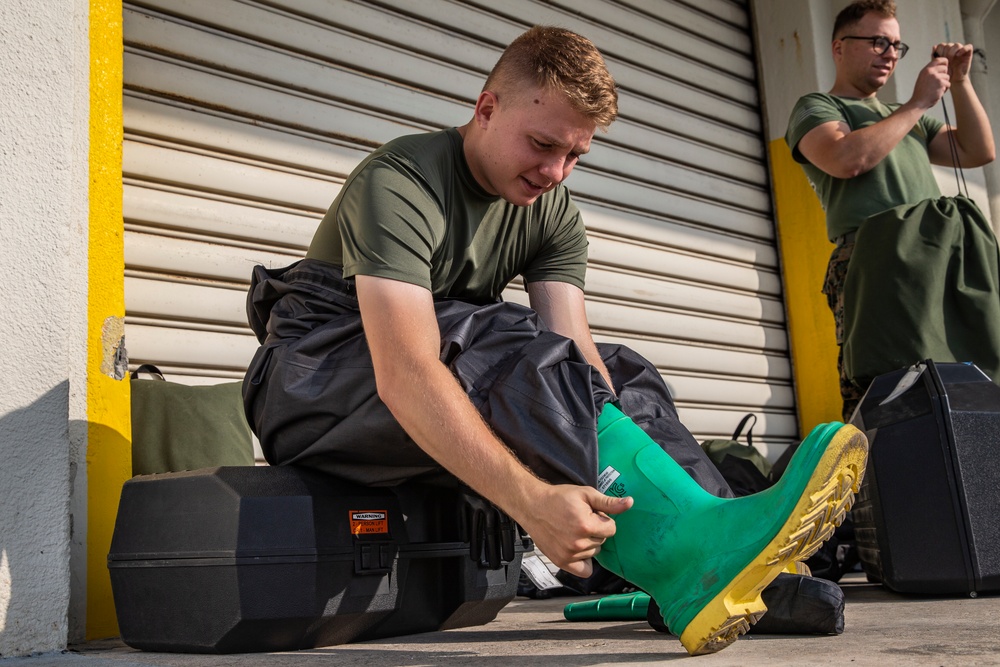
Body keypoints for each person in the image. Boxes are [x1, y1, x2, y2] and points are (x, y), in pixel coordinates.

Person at [244, 26, 867, 655]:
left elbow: (576, 357)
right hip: (311, 385)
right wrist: (531, 502)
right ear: (486, 108)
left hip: (418, 383)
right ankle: (694, 553)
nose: (555, 172)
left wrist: (621, 429)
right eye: (542, 145)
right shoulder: (402, 180)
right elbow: (406, 369)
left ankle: (722, 550)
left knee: (621, 374)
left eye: (576, 156)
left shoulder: (553, 211)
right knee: (506, 340)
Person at [785, 0, 996, 422]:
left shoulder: (905, 120)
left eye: (897, 46)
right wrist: (917, 103)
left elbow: (979, 150)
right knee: (880, 392)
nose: (889, 54)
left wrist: (959, 81)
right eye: (878, 41)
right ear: (839, 47)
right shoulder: (818, 107)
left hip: (930, 266)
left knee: (952, 385)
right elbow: (846, 160)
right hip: (870, 264)